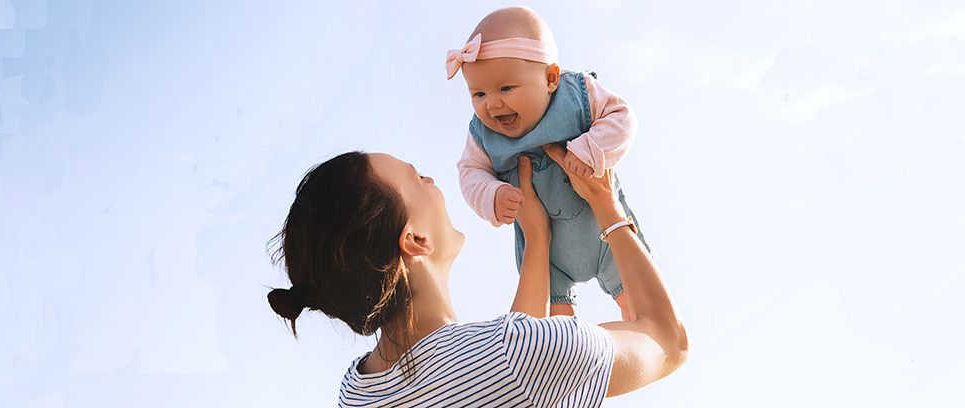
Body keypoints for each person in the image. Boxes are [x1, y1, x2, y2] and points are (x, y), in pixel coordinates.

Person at [267, 144, 687, 406]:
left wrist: (537, 240)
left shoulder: (360, 391)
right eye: (417, 178)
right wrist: (606, 205)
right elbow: (668, 342)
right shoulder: (521, 354)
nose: (432, 180)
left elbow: (505, 371)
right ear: (414, 240)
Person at [452, 6, 647, 319]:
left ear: (551, 78)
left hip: (606, 232)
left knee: (639, 307)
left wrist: (591, 148)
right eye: (478, 94)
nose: (492, 103)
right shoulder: (482, 136)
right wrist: (492, 195)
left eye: (506, 88)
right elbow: (470, 172)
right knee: (555, 330)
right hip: (548, 255)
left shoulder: (577, 94)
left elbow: (622, 117)